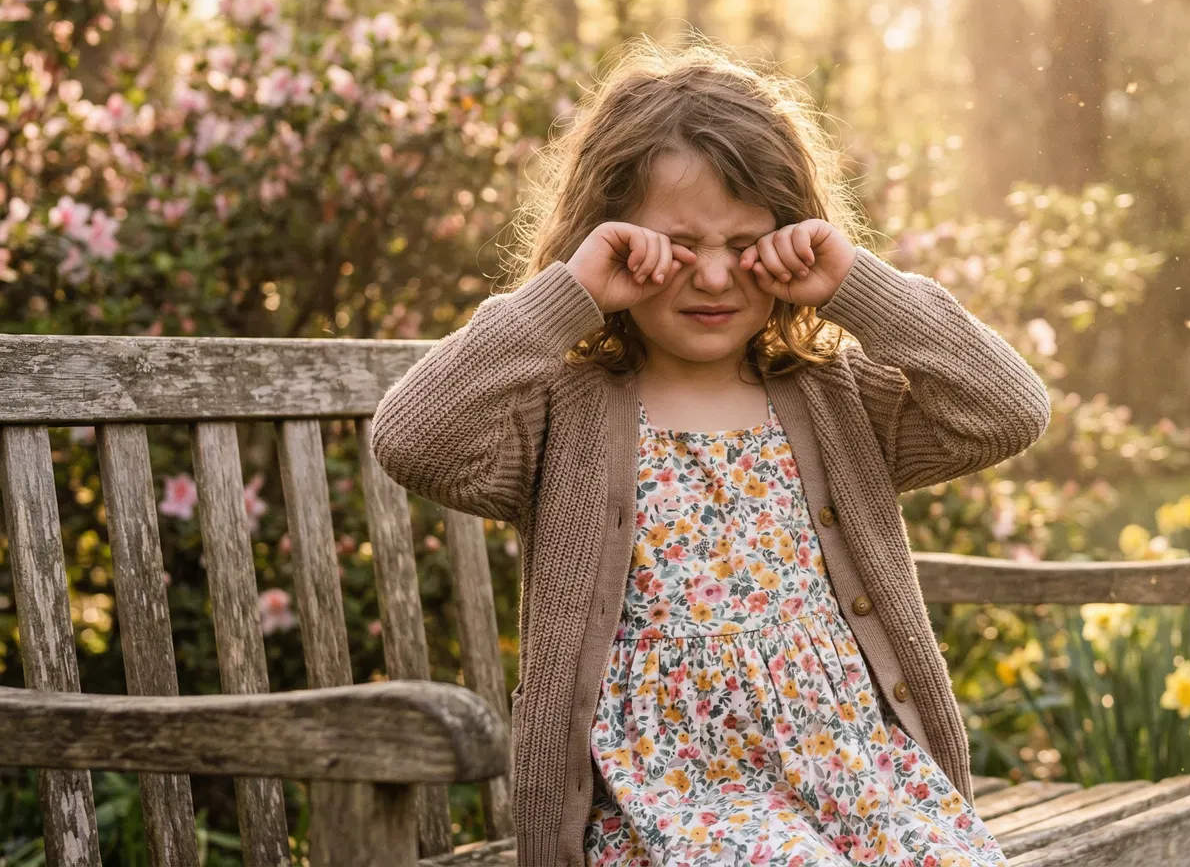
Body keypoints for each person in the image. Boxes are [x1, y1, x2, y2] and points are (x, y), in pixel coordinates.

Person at [369, 43, 1050, 867]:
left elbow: (1009, 410)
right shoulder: (564, 409)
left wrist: (855, 284)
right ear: (611, 240)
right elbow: (411, 437)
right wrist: (568, 296)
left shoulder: (832, 395)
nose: (717, 276)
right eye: (680, 245)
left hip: (860, 783)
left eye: (745, 241)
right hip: (672, 803)